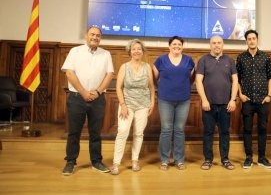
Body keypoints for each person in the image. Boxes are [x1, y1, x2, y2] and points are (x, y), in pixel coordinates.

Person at [61, 26, 114, 176]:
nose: (95, 37)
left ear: (100, 38)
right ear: (86, 35)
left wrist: (97, 92)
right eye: (92, 34)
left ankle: (96, 161)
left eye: (98, 35)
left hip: (98, 99)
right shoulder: (75, 51)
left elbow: (109, 75)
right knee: (74, 132)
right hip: (77, 97)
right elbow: (69, 73)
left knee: (96, 132)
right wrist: (84, 92)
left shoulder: (106, 54)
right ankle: (70, 161)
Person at [110, 39, 155, 175]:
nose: (136, 51)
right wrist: (123, 104)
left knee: (138, 133)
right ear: (130, 51)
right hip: (127, 104)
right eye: (134, 49)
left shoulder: (147, 67)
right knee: (122, 132)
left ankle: (135, 160)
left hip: (143, 105)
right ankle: (116, 163)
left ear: (143, 52)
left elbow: (151, 87)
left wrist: (152, 102)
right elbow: (118, 87)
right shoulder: (124, 67)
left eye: (139, 49)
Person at [196, 35, 238, 170]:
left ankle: (225, 159)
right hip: (208, 104)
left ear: (223, 44)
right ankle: (208, 159)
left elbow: (235, 81)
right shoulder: (203, 60)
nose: (216, 45)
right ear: (210, 45)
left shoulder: (229, 61)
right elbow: (198, 81)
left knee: (224, 132)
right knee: (208, 132)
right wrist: (204, 100)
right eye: (214, 43)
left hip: (226, 104)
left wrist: (233, 99)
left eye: (219, 43)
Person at [153, 36, 195, 170]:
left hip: (183, 100)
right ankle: (164, 160)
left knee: (179, 130)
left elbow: (192, 79)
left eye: (179, 44)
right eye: (174, 44)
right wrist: (160, 89)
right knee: (166, 129)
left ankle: (179, 160)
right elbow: (153, 79)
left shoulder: (189, 60)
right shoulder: (160, 60)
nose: (176, 46)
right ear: (169, 46)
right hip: (165, 99)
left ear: (182, 46)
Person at [236, 29, 271, 169]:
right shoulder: (241, 58)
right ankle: (248, 157)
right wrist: (240, 94)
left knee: (262, 129)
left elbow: (270, 77)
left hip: (263, 99)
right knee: (247, 129)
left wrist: (269, 95)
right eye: (249, 39)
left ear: (257, 40)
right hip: (247, 100)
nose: (252, 41)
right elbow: (237, 79)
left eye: (254, 38)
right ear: (246, 41)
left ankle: (262, 157)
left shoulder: (265, 57)